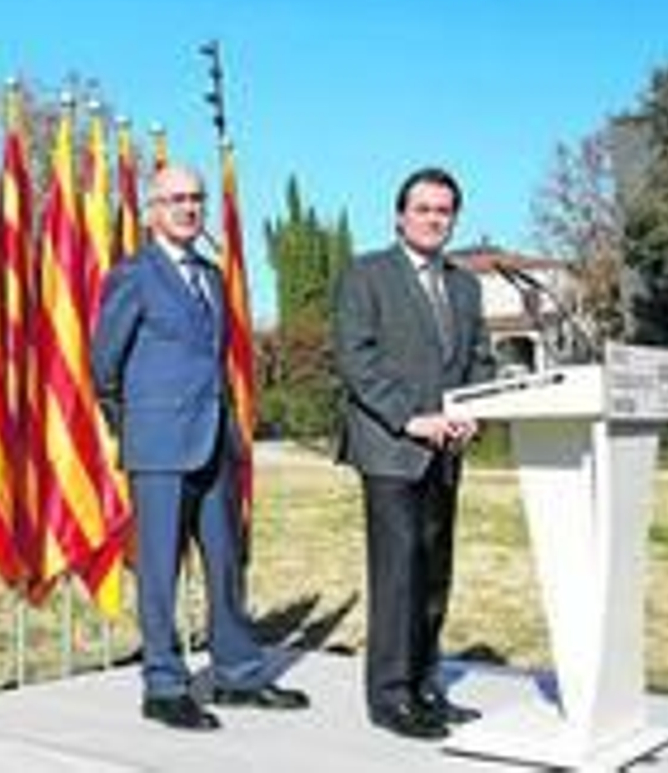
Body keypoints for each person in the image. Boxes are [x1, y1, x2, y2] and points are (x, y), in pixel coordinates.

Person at [92, 164, 308, 731]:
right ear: (151, 210)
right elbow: (103, 367)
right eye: (175, 200)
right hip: (159, 448)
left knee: (226, 563)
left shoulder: (211, 276)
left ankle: (237, 674)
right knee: (161, 571)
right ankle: (163, 685)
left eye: (196, 199)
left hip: (216, 442)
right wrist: (137, 427)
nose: (188, 209)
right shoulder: (132, 276)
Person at [332, 166, 496, 740]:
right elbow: (357, 360)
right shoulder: (366, 274)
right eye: (423, 209)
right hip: (391, 449)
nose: (434, 219)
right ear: (400, 216)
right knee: (398, 574)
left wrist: (473, 409)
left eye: (444, 210)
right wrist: (412, 418)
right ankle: (390, 696)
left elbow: (480, 357)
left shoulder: (465, 285)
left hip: (447, 451)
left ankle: (427, 684)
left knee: (434, 575)